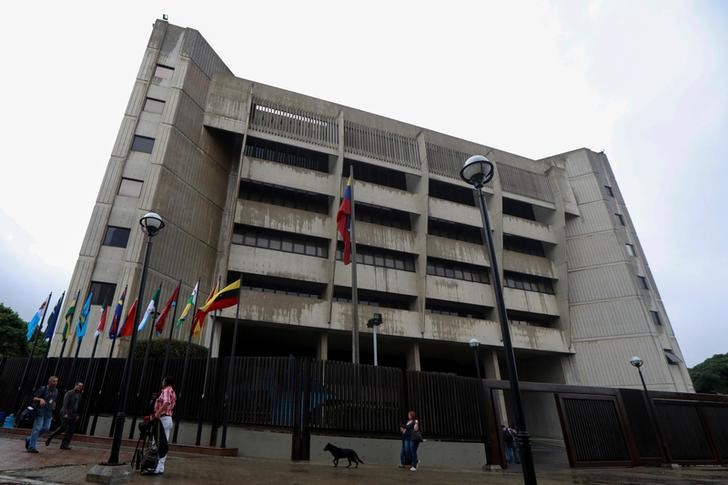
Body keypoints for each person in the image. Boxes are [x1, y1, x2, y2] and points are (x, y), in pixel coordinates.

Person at [149, 376, 176, 476]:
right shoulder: (172, 392)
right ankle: (160, 467)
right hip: (168, 419)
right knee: (163, 444)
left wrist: (157, 413)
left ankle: (154, 466)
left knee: (157, 442)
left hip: (163, 419)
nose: (162, 382)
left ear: (166, 382)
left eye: (163, 380)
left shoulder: (166, 390)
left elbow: (166, 403)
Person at [24, 376, 59, 453]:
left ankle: (29, 439)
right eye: (54, 381)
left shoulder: (56, 390)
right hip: (40, 411)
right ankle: (31, 447)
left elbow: (53, 400)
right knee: (37, 428)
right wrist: (41, 399)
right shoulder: (43, 389)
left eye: (56, 381)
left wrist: (54, 407)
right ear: (49, 382)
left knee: (46, 428)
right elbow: (34, 398)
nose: (55, 383)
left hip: (49, 412)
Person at [46, 382, 83, 449]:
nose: (80, 387)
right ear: (75, 385)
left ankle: (64, 445)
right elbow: (65, 403)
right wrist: (65, 413)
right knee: (63, 428)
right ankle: (51, 436)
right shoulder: (69, 393)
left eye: (81, 386)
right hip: (66, 413)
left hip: (74, 415)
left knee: (71, 431)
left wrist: (78, 414)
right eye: (79, 386)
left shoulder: (79, 395)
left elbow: (79, 405)